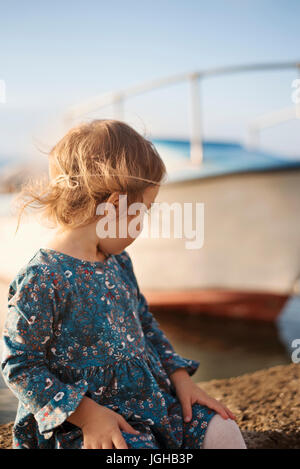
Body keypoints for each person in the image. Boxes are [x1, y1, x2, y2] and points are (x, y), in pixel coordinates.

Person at [1, 119, 246, 449]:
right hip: (84, 424)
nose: (143, 224)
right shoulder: (43, 278)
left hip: (150, 406)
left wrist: (180, 378)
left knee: (224, 431)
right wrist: (88, 416)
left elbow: (144, 323)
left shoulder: (118, 261)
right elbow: (20, 365)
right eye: (142, 211)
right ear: (116, 205)